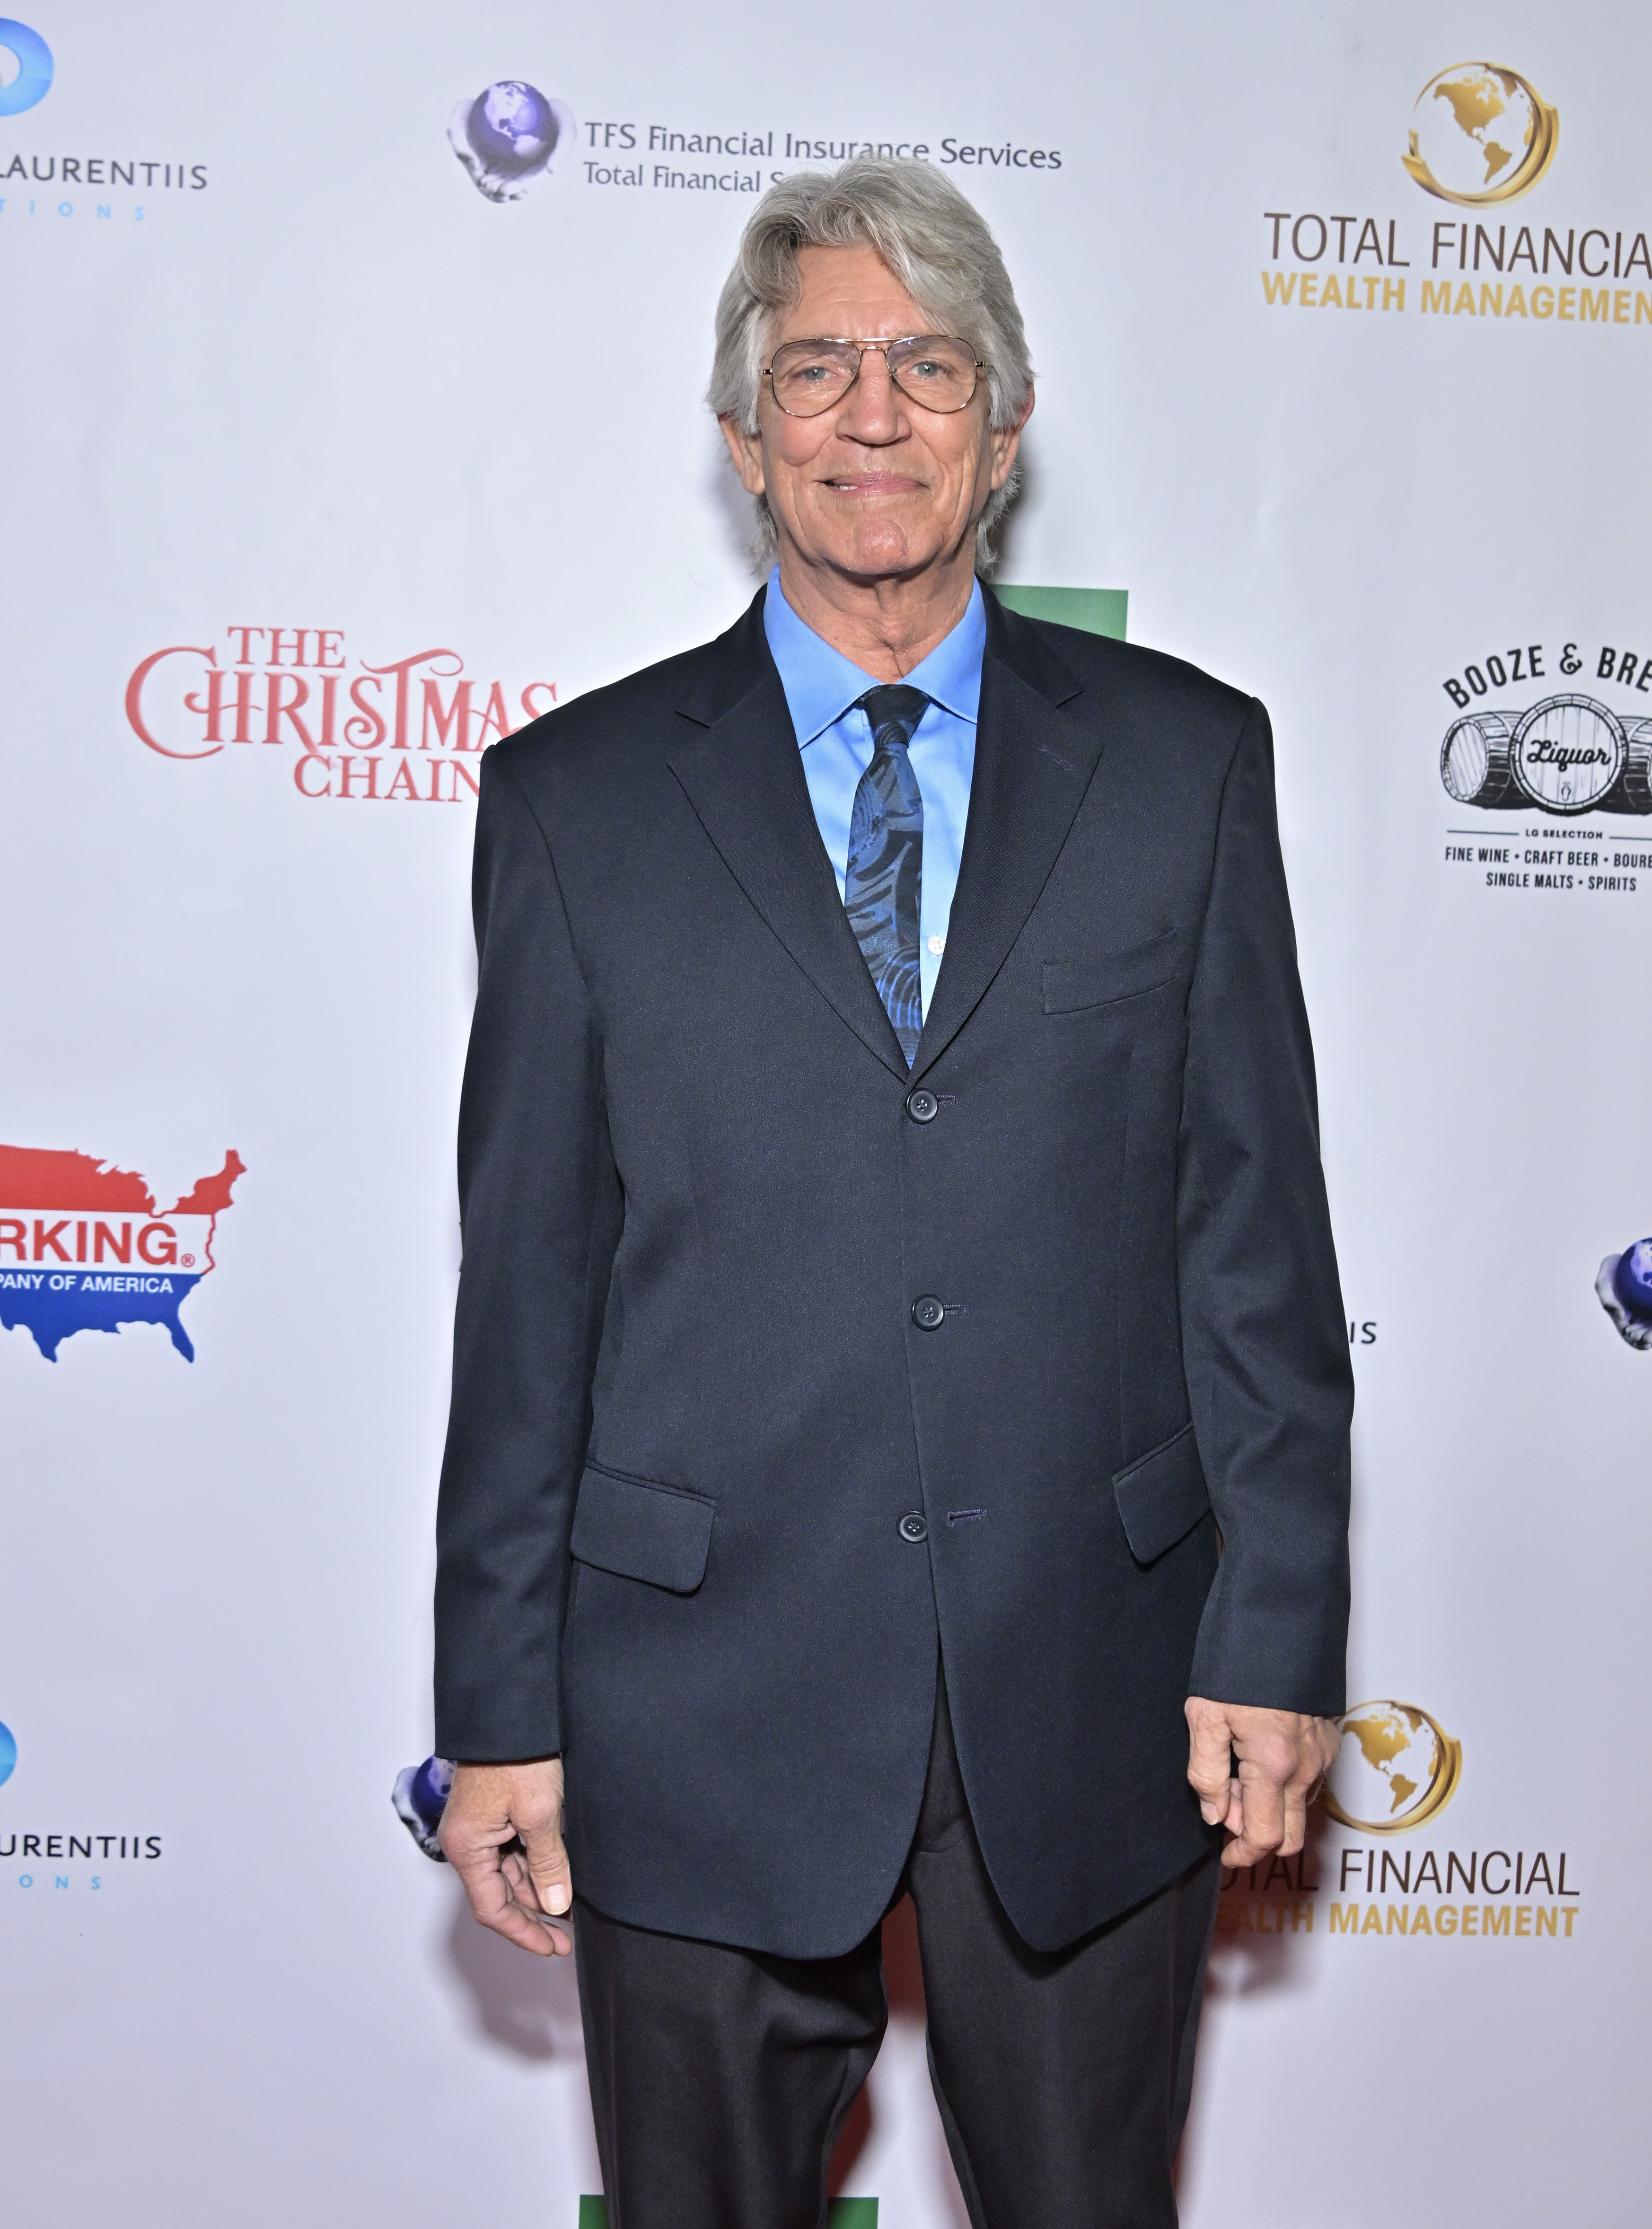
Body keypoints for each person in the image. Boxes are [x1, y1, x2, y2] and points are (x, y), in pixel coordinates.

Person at [432, 158, 1352, 2229]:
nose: (875, 413)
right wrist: (495, 1709)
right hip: (695, 1701)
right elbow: (529, 1292)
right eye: (821, 366)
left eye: (929, 365)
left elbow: (1258, 1250)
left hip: (1093, 1691)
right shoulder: (576, 803)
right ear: (745, 433)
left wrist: (1278, 1634)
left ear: (1004, 428)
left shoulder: (1189, 763)